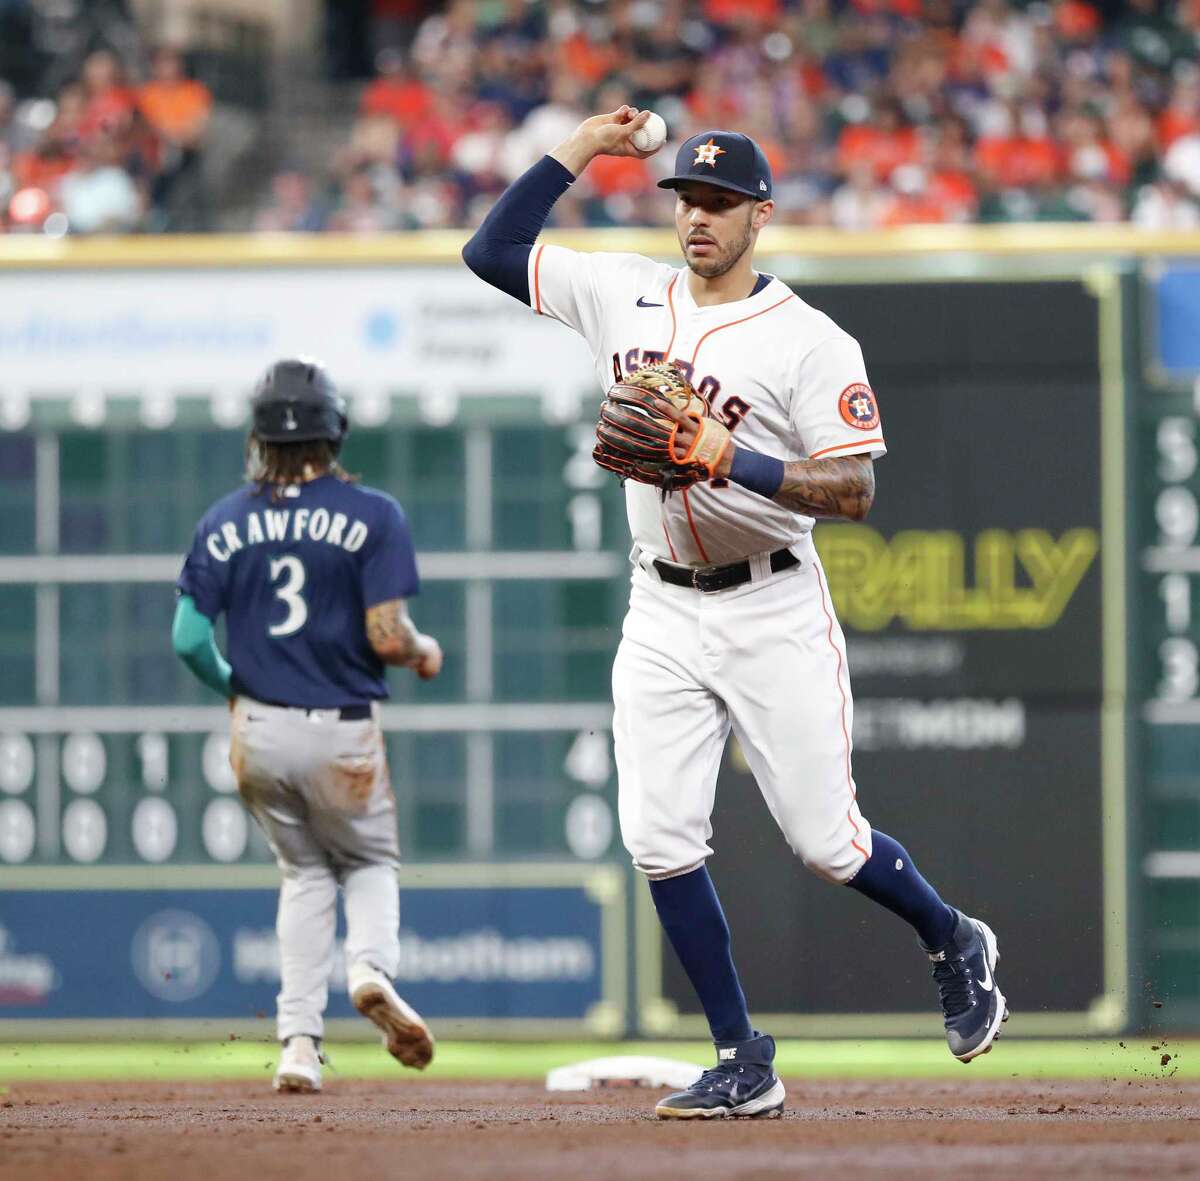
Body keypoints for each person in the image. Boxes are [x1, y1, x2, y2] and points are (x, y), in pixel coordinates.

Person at [463, 107, 1008, 1120]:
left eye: (719, 202)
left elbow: (854, 492)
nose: (698, 217)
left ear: (760, 214)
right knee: (658, 837)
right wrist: (583, 144)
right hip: (661, 602)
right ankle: (741, 1054)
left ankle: (951, 936)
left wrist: (733, 459)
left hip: (770, 600)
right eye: (686, 199)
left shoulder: (809, 338)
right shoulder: (620, 289)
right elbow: (490, 249)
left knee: (826, 841)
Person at [172, 358, 442, 1093]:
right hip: (339, 728)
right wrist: (423, 651)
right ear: (337, 429)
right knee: (370, 860)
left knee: (303, 873)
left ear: (258, 437)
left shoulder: (224, 519)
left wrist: (237, 689)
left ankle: (297, 1042)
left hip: (257, 731)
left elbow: (188, 639)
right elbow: (388, 635)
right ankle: (370, 970)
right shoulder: (371, 513)